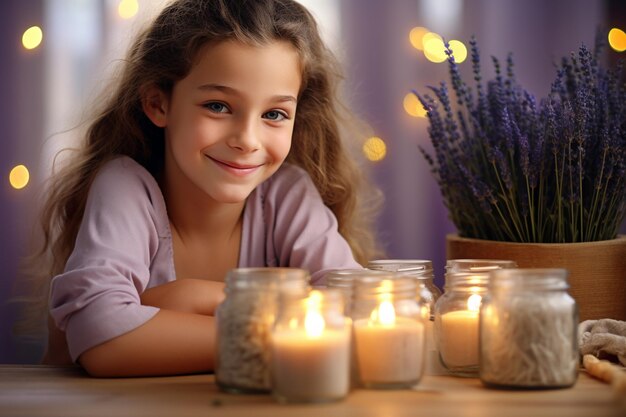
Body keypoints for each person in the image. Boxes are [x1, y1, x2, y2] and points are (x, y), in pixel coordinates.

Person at [25, 0, 380, 377]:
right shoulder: (125, 186)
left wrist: (168, 305)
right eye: (218, 106)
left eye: (274, 114)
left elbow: (359, 308)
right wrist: (278, 326)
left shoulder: (287, 194)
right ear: (158, 104)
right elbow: (101, 337)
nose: (247, 140)